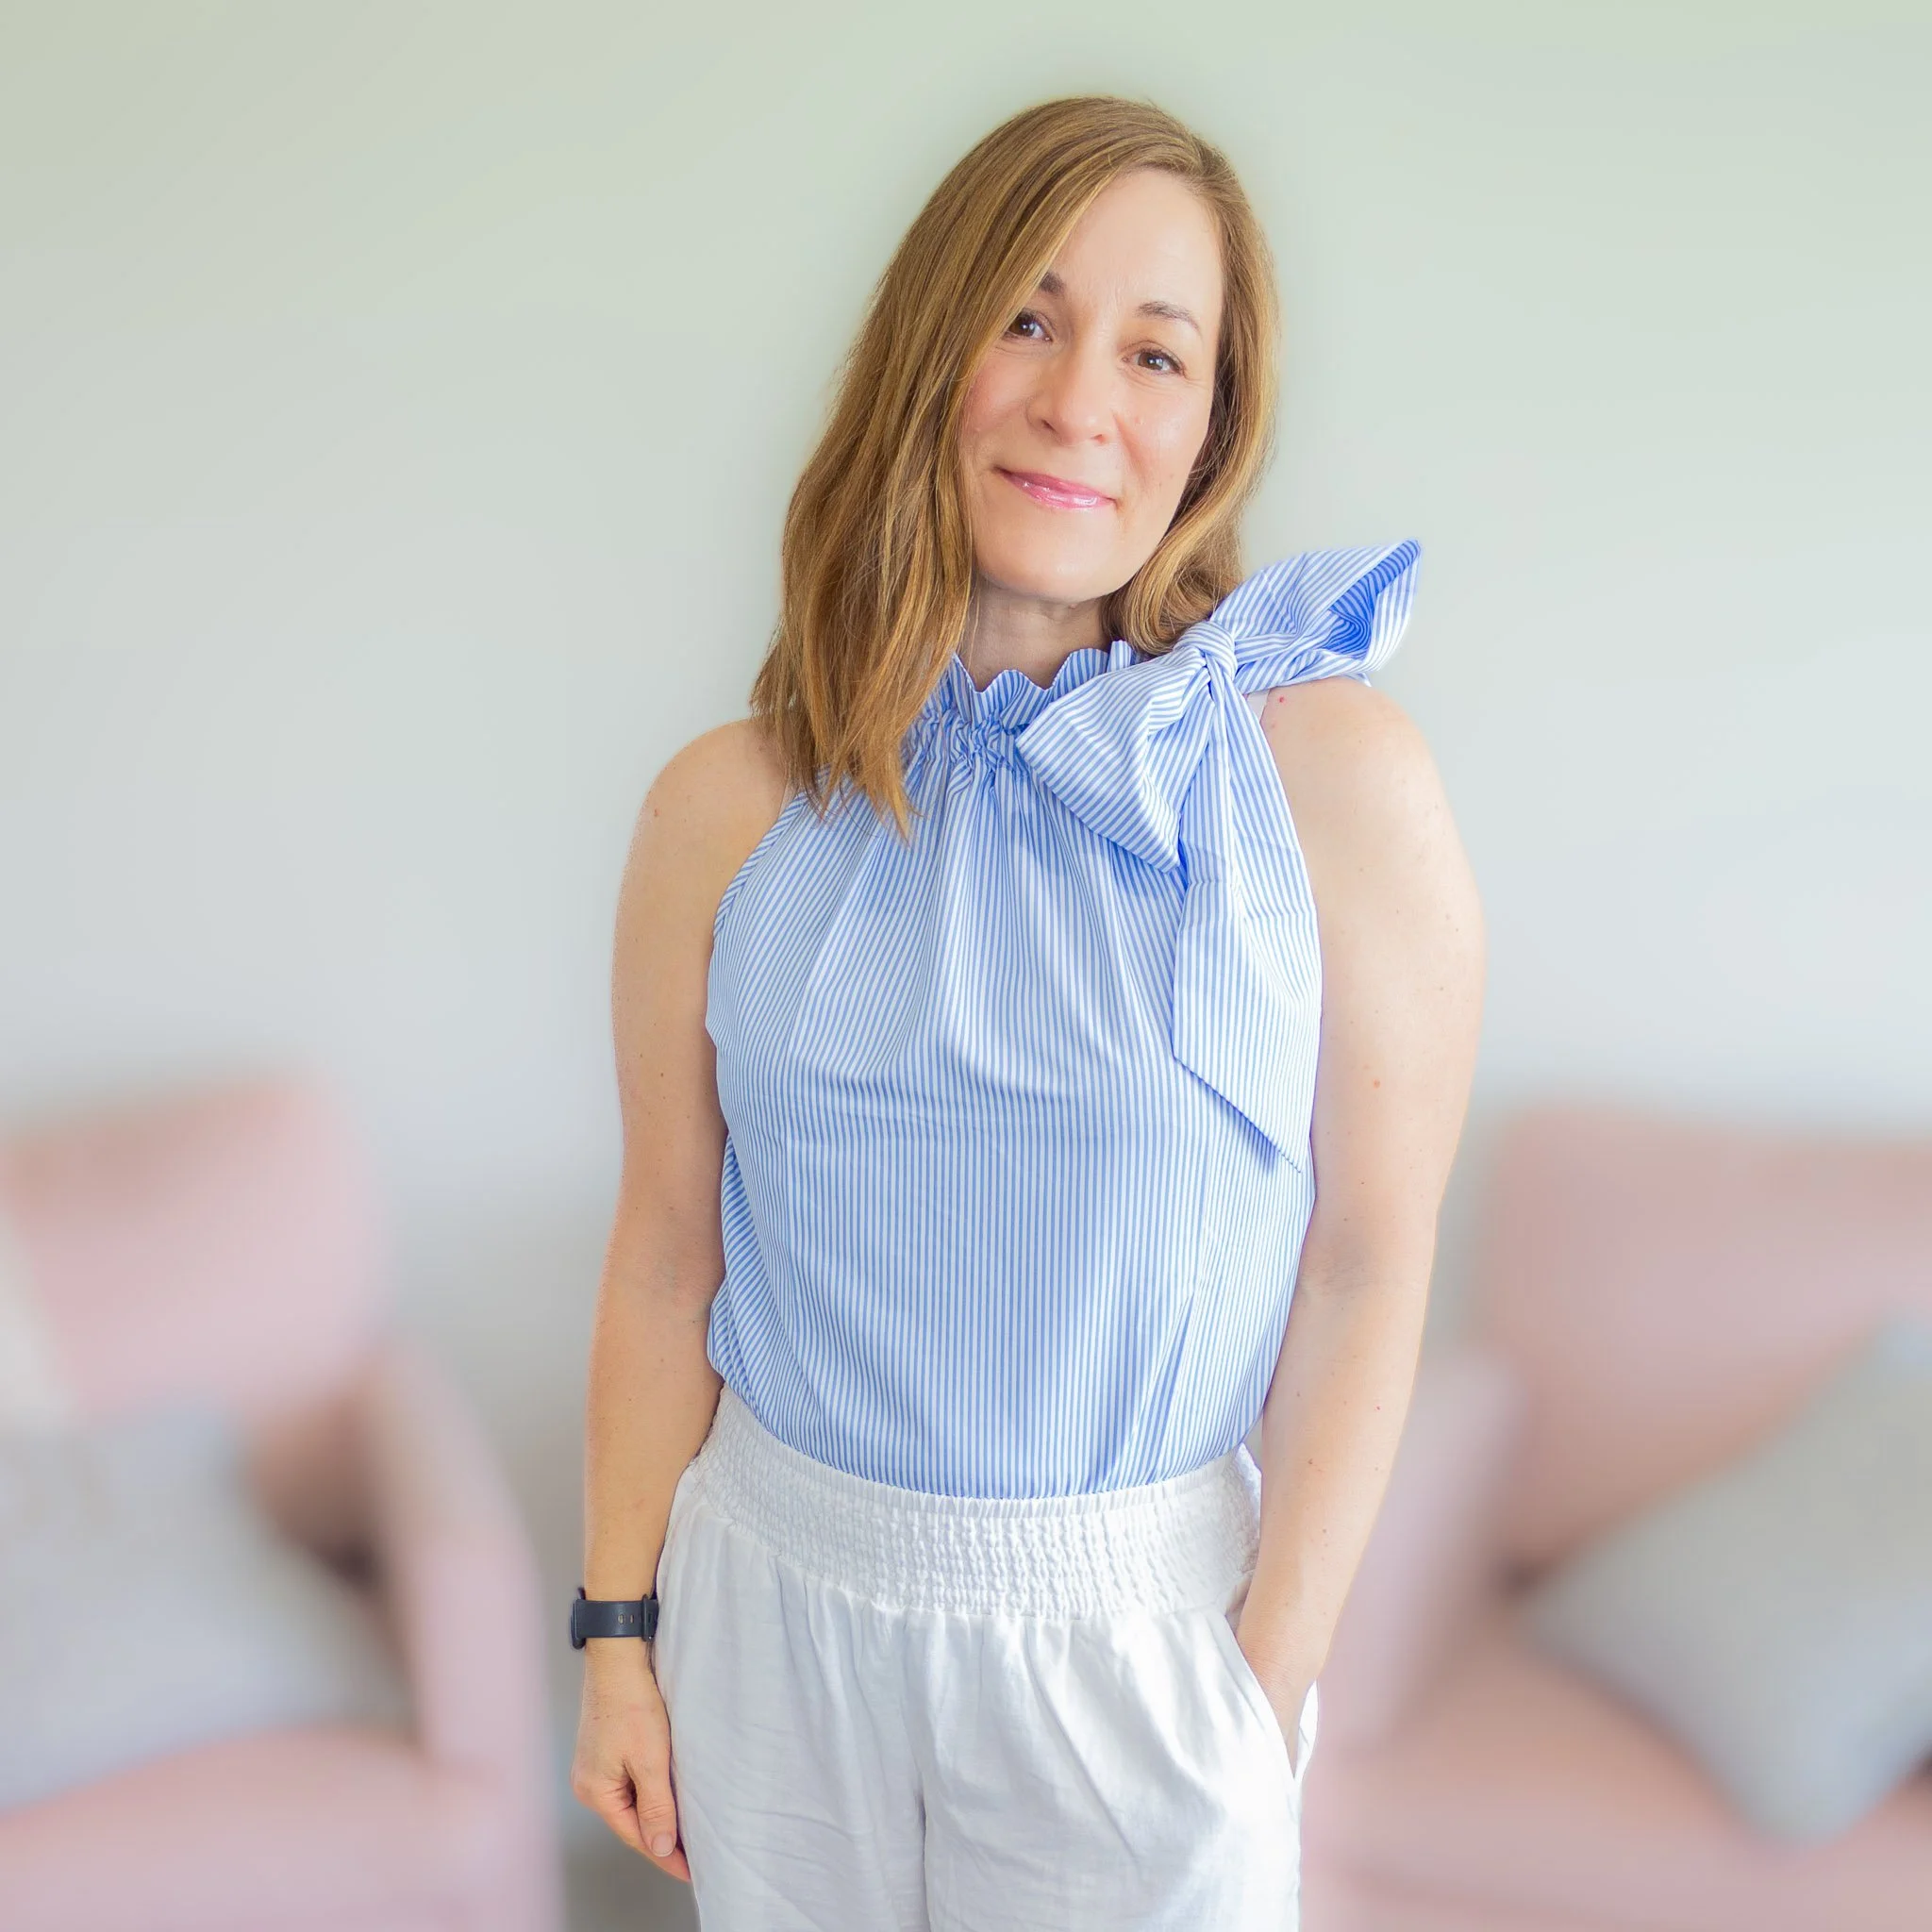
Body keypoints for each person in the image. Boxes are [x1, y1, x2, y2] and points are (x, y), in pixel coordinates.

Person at [571, 92, 1485, 1930]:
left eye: (1156, 352)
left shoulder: (1324, 785)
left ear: (1212, 423)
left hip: (1137, 1654)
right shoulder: (721, 810)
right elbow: (669, 1251)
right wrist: (615, 1633)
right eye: (1028, 317)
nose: (1081, 402)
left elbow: (1369, 1264)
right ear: (933, 350)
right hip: (771, 1620)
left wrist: (1260, 1695)